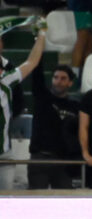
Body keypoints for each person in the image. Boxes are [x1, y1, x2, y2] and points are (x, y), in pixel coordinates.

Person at [0, 25, 46, 190]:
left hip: (4, 156)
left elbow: (32, 62)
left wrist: (41, 34)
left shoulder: (6, 80)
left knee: (6, 203)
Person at [28, 62, 80, 189]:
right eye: (55, 77)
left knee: (65, 204)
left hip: (63, 161)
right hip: (40, 158)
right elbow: (37, 75)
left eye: (63, 78)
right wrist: (39, 44)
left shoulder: (76, 107)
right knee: (36, 202)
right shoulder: (42, 97)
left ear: (70, 83)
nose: (58, 81)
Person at [67, 0, 92, 77]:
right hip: (81, 8)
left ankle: (86, 75)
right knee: (81, 41)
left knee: (90, 44)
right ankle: (74, 75)